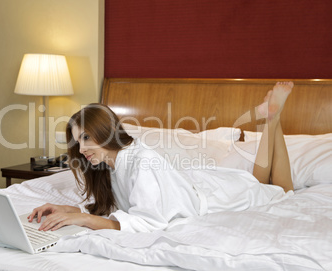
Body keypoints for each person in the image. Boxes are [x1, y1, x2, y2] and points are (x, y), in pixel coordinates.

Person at [28, 82, 295, 233]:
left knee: (278, 188)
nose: (82, 148)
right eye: (77, 140)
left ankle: (274, 120)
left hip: (213, 197)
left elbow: (148, 221)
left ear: (105, 131)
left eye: (87, 137)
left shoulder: (141, 161)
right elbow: (116, 207)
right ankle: (272, 118)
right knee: (255, 180)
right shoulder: (110, 163)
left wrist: (84, 219)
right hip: (196, 185)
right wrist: (69, 210)